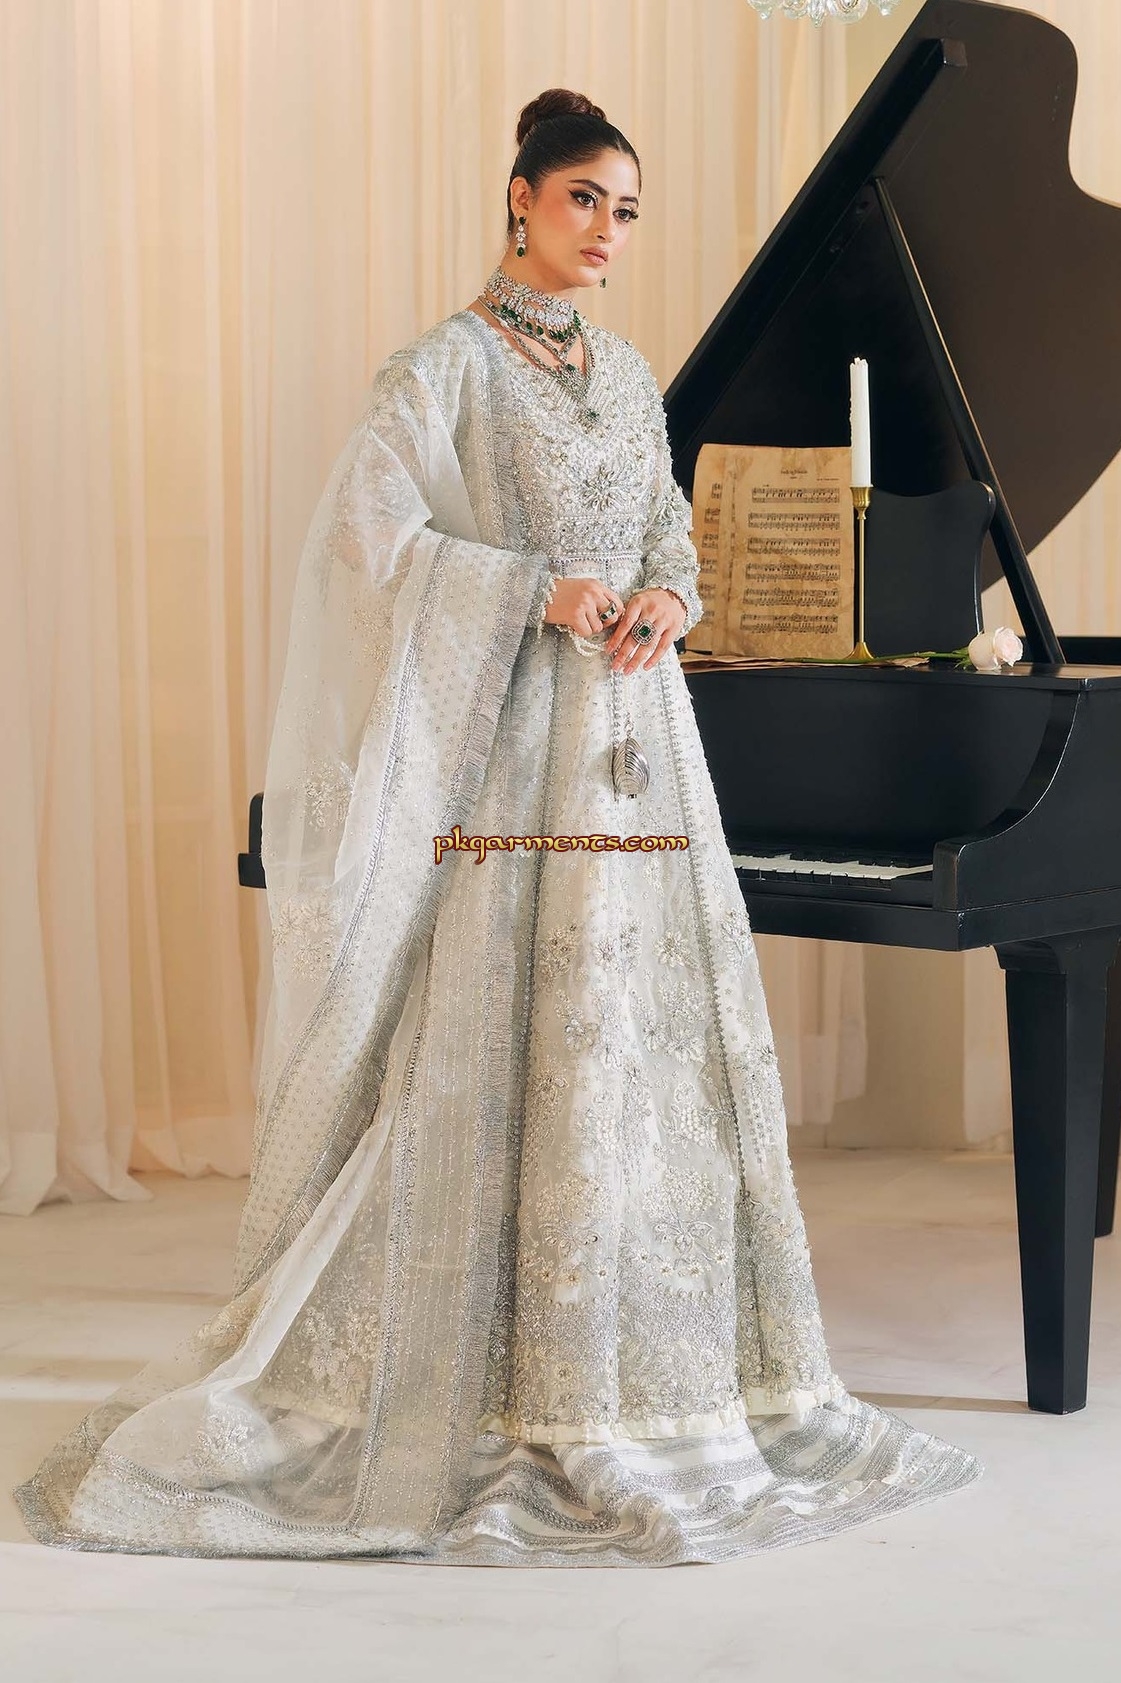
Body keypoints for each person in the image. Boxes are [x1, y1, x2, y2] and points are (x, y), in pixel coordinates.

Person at [14, 88, 982, 1566]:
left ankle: (643, 1365)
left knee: (645, 1038)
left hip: (638, 738)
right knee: (499, 1032)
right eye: (585, 198)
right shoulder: (445, 368)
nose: (607, 231)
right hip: (514, 748)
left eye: (627, 210)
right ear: (520, 197)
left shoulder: (629, 372)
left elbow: (663, 526)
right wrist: (536, 591)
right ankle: (484, 1370)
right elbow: (366, 537)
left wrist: (671, 595)